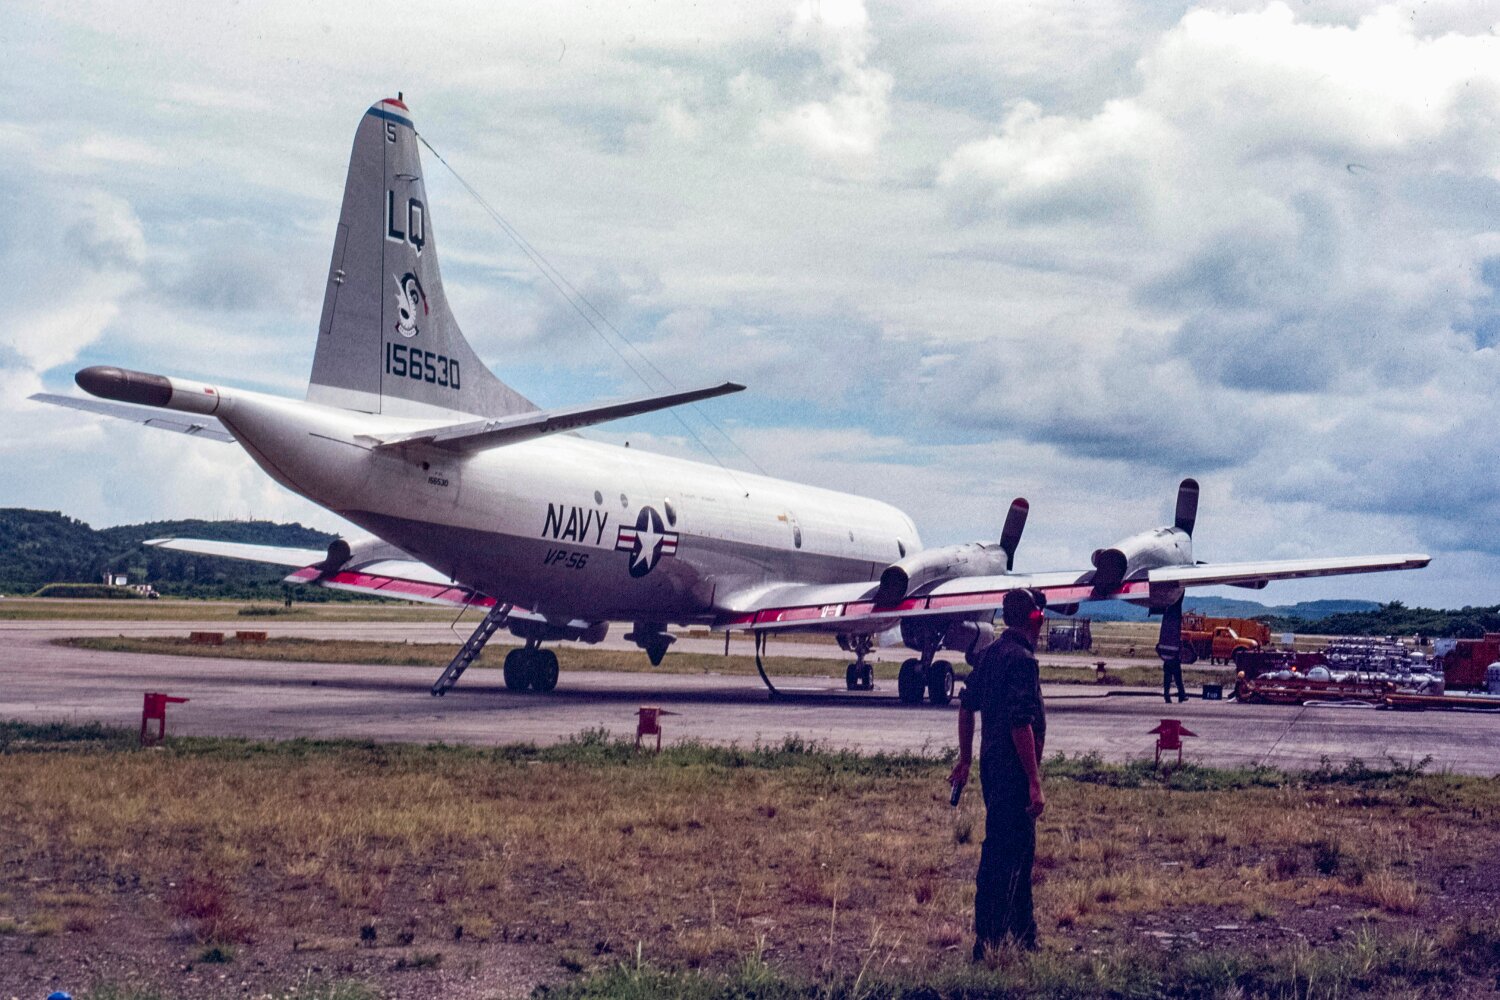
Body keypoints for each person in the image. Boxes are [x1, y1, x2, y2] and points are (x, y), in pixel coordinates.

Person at [949, 588, 1048, 958]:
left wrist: (965, 760)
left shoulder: (989, 655)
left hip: (992, 770)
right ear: (1034, 619)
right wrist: (1034, 781)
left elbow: (966, 706)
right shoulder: (1022, 661)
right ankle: (991, 939)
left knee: (1012, 852)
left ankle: (1022, 935)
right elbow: (1020, 723)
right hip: (1014, 774)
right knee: (1009, 855)